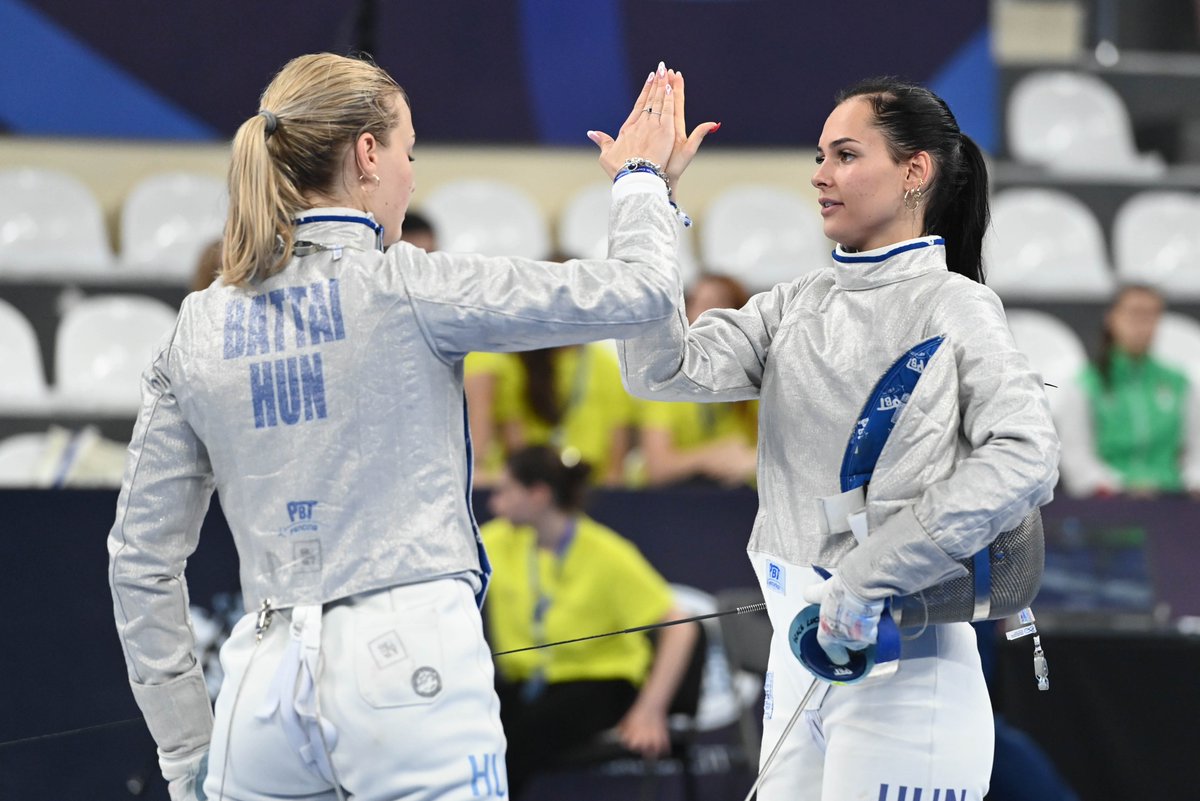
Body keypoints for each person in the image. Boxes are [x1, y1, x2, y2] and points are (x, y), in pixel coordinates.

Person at [107, 53, 705, 801]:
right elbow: (645, 294)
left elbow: (139, 560)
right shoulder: (410, 283)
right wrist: (643, 182)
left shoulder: (197, 324)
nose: (410, 176)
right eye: (407, 152)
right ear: (367, 154)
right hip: (410, 664)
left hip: (256, 685)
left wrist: (188, 749)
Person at [611, 77, 1059, 800]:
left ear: (915, 171)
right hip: (803, 664)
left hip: (905, 678)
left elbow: (1028, 455)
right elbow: (656, 368)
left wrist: (868, 574)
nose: (821, 174)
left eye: (846, 154)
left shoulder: (956, 306)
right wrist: (644, 199)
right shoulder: (798, 303)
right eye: (820, 155)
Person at [481, 445, 698, 799]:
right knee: (476, 729)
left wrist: (650, 710)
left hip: (602, 681)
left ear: (538, 495)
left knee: (515, 747)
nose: (494, 503)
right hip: (531, 683)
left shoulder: (606, 552)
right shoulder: (500, 540)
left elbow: (682, 625)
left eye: (505, 491)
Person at [1057, 283, 1200, 498]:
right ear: (1111, 318)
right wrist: (1121, 488)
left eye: (1151, 315)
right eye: (1134, 313)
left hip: (1173, 504)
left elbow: (1196, 454)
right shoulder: (1086, 383)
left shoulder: (1179, 382)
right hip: (1112, 509)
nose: (1142, 324)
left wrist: (1191, 485)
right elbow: (1077, 460)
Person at [638, 273, 757, 487]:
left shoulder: (761, 375)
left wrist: (755, 460)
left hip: (744, 499)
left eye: (717, 304)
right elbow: (658, 467)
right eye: (698, 303)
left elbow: (795, 451)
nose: (706, 314)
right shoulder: (664, 374)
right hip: (675, 501)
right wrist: (713, 456)